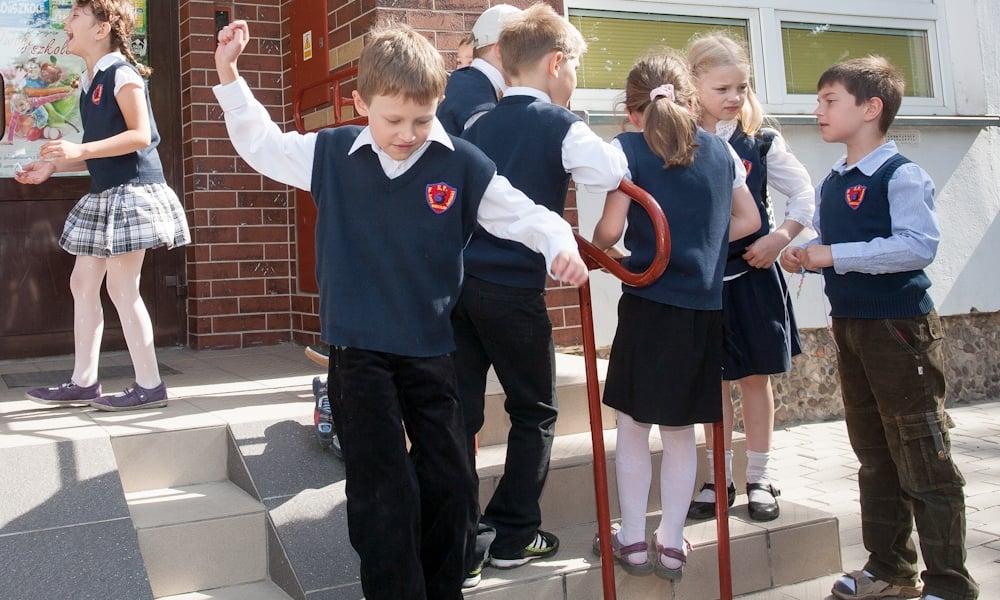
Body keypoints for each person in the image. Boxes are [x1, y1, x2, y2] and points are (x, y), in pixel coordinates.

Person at [213, 20, 589, 600]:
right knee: (382, 492)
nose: (408, 134)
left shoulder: (461, 164)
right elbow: (261, 144)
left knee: (450, 483)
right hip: (359, 354)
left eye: (422, 119)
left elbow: (524, 214)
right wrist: (230, 75)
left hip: (432, 351)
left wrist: (559, 245)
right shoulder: (330, 153)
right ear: (361, 104)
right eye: (392, 120)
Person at [780, 56, 978, 600]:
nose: (817, 110)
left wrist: (832, 255)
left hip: (899, 332)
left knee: (922, 454)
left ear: (871, 109)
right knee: (875, 455)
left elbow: (917, 246)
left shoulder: (901, 175)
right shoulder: (834, 180)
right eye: (818, 101)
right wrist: (805, 253)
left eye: (829, 100)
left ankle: (950, 583)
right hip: (853, 330)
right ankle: (890, 570)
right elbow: (834, 243)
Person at [452, 2, 628, 586]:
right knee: (534, 410)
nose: (575, 77)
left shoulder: (477, 124)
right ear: (556, 64)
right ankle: (513, 531)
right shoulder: (560, 124)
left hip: (462, 289)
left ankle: (460, 542)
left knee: (459, 414)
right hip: (514, 292)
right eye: (575, 66)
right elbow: (609, 171)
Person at [591, 48, 759, 580]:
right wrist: (703, 244)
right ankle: (670, 542)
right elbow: (749, 219)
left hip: (648, 303)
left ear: (632, 110)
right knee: (682, 430)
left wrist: (602, 251)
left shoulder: (627, 149)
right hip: (702, 309)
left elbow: (610, 230)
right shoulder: (722, 151)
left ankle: (632, 538)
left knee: (633, 426)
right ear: (690, 100)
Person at [18, 0, 189, 412]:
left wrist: (79, 150)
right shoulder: (88, 81)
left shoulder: (122, 73)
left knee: (121, 287)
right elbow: (100, 148)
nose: (66, 21)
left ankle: (150, 385)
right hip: (107, 192)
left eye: (75, 15)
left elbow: (140, 135)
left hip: (132, 192)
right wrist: (53, 166)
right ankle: (84, 382)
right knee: (83, 283)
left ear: (101, 29)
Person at [684, 32, 814, 522]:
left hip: (753, 275)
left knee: (754, 380)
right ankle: (718, 478)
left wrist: (780, 238)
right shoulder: (679, 139)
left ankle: (759, 476)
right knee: (712, 383)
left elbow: (804, 195)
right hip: (703, 282)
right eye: (722, 89)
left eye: (741, 87)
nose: (734, 97)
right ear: (693, 86)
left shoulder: (760, 141)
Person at [436, 4, 522, 136]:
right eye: (523, 50)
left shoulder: (467, 84)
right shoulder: (478, 104)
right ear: (501, 51)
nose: (529, 59)